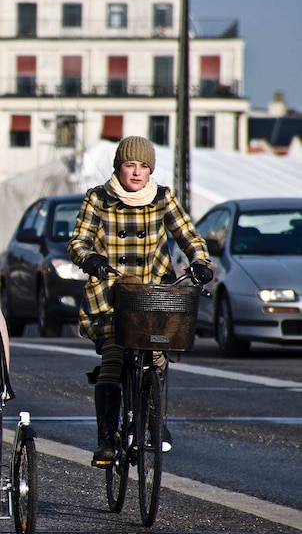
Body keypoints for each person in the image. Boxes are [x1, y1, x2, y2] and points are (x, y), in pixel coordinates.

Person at [67, 135, 214, 466]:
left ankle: (155, 422)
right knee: (113, 358)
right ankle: (106, 439)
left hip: (152, 297)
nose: (136, 173)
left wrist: (201, 261)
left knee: (157, 356)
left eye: (143, 166)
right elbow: (78, 241)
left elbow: (189, 235)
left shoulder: (163, 199)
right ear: (118, 167)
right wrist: (89, 259)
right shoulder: (98, 198)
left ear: (151, 170)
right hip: (110, 296)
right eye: (130, 165)